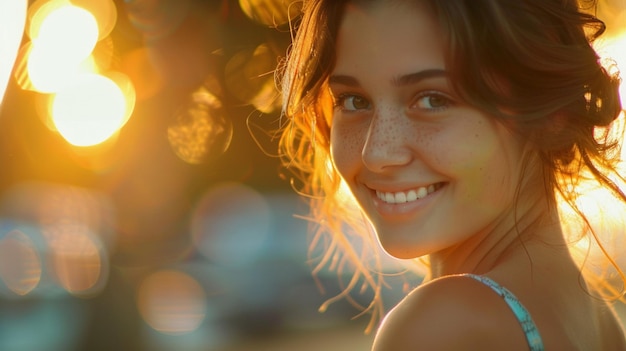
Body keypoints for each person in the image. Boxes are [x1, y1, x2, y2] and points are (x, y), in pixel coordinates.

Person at [276, 0, 626, 349]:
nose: (377, 153)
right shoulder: (597, 319)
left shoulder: (441, 327)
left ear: (553, 117)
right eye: (353, 100)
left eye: (432, 100)